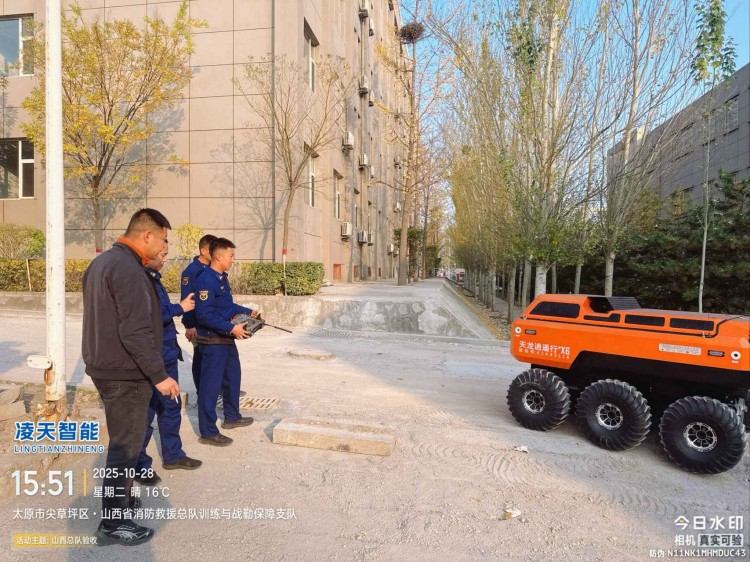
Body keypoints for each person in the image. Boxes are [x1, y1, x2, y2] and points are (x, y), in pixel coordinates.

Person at [82, 208, 179, 546]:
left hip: (105, 367)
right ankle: (113, 523)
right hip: (126, 374)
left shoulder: (102, 263)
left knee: (123, 443)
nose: (164, 246)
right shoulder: (130, 270)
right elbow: (135, 332)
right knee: (125, 449)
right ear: (147, 235)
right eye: (163, 240)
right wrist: (160, 376)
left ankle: (119, 501)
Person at [135, 246, 202, 485]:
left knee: (171, 406)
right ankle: (138, 464)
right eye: (162, 255)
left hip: (168, 353)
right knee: (146, 412)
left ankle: (173, 455)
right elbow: (147, 316)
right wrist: (179, 308)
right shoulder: (138, 281)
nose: (165, 259)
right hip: (153, 358)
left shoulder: (154, 279)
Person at [194, 237, 258, 446]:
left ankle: (232, 417)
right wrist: (231, 328)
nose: (233, 259)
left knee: (233, 377)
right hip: (213, 340)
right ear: (219, 257)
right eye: (231, 256)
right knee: (210, 387)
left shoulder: (221, 279)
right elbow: (204, 315)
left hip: (226, 338)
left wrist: (248, 312)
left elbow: (227, 307)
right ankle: (208, 432)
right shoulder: (206, 280)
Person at [180, 234, 217, 393]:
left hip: (212, 321)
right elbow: (187, 299)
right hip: (197, 323)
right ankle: (202, 391)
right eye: (212, 249)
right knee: (201, 358)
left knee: (214, 358)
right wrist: (190, 325)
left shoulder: (212, 269)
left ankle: (216, 390)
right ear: (203, 251)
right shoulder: (191, 272)